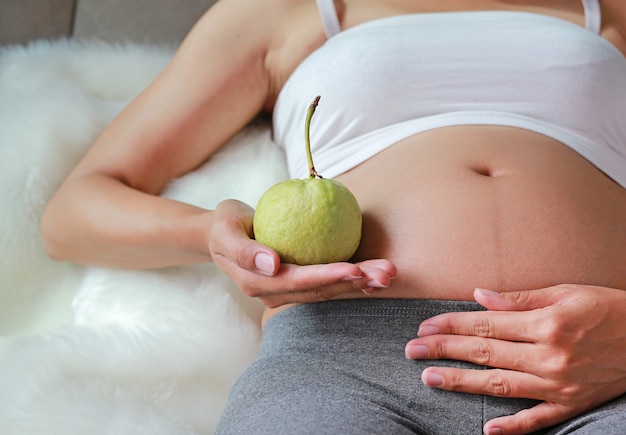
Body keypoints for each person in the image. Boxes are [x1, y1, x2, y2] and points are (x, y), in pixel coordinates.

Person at [41, 0, 626, 433]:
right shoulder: (282, 12)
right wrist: (214, 234)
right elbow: (73, 213)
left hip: (602, 362)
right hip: (341, 361)